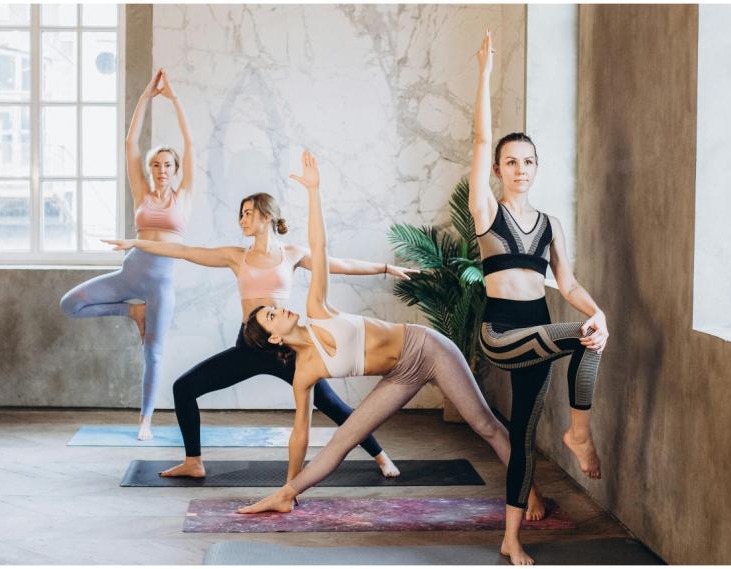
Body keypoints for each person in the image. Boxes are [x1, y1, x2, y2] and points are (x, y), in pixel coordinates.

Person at [236, 150, 543, 557]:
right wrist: (290, 484)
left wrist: (314, 193)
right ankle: (284, 494)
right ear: (275, 338)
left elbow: (319, 245)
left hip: (426, 348)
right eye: (274, 315)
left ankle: (530, 493)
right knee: (341, 441)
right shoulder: (305, 371)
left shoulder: (317, 309)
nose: (283, 308)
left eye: (275, 306)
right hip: (400, 375)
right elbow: (301, 433)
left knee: (485, 425)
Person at [103, 193, 418, 478]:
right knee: (184, 387)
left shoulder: (292, 253)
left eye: (247, 213)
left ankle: (380, 456)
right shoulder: (235, 256)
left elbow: (339, 264)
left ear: (267, 215)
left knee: (332, 405)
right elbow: (185, 251)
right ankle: (193, 462)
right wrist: (136, 243)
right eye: (240, 214)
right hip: (249, 345)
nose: (241, 219)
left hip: (287, 348)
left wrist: (386, 268)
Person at [468, 31, 609, 564]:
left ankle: (510, 539)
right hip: (502, 333)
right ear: (500, 170)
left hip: (539, 329)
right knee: (578, 339)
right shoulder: (487, 213)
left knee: (523, 435)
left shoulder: (550, 225)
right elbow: (480, 142)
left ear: (535, 168)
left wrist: (598, 314)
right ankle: (580, 437)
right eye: (511, 162)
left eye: (528, 161)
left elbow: (567, 285)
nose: (519, 168)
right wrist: (484, 76)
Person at [60, 69, 193, 441]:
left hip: (161, 285)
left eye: (168, 165)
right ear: (149, 170)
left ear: (177, 170)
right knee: (70, 303)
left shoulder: (185, 197)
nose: (161, 170)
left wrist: (175, 99)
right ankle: (131, 310)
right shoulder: (142, 193)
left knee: (153, 354)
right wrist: (146, 97)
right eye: (156, 165)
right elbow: (130, 143)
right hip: (131, 273)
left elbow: (189, 140)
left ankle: (145, 421)